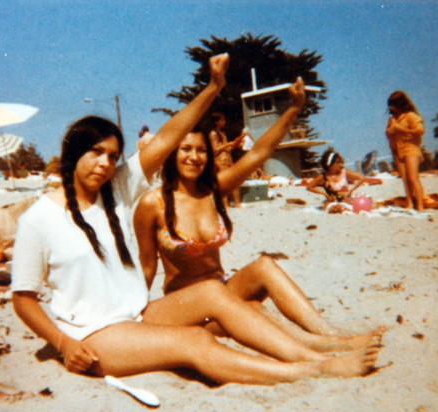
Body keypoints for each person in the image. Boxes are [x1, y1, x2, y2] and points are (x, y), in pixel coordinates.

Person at [11, 55, 380, 384]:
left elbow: (169, 135)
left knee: (210, 291)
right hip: (94, 336)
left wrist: (212, 88)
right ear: (71, 155)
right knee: (196, 340)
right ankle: (309, 370)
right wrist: (61, 342)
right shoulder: (38, 220)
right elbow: (24, 299)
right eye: (96, 153)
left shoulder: (117, 192)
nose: (106, 164)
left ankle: (317, 354)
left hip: (138, 316)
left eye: (112, 156)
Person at [134, 78, 383, 354]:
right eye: (186, 149)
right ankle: (327, 345)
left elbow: (260, 152)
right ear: (172, 154)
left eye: (201, 150)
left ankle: (328, 334)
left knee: (264, 265)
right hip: (185, 306)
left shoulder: (213, 190)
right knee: (251, 309)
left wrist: (292, 109)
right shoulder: (152, 203)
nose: (194, 157)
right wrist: (131, 316)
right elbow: (147, 267)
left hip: (222, 290)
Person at [385, 90, 425, 211]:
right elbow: (389, 133)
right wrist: (390, 131)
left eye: (393, 104)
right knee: (405, 180)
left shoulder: (411, 116)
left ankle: (420, 204)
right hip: (398, 150)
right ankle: (410, 203)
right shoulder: (393, 119)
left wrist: (400, 129)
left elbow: (420, 131)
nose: (391, 107)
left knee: (413, 178)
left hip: (411, 148)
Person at [305, 150, 382, 205]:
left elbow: (362, 178)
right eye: (338, 162)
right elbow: (309, 187)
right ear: (330, 164)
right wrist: (323, 194)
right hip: (333, 202)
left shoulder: (344, 173)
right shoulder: (323, 176)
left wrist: (351, 190)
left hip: (346, 200)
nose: (340, 164)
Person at [209, 111, 244, 207]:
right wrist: (228, 144)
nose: (224, 122)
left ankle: (237, 203)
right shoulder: (213, 134)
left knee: (234, 181)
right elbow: (215, 149)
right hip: (220, 160)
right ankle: (225, 205)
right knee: (224, 182)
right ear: (216, 122)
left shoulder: (222, 133)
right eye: (222, 120)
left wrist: (235, 145)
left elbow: (227, 149)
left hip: (228, 158)